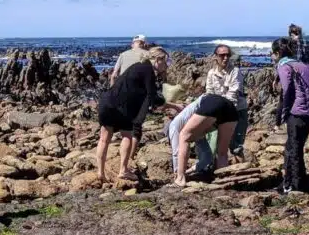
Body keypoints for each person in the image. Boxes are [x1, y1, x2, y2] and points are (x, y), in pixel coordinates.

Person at [95, 47, 168, 183]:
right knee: (127, 135)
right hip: (122, 107)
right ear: (158, 60)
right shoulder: (148, 70)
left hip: (106, 101)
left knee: (104, 139)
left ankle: (100, 172)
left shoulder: (137, 66)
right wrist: (168, 103)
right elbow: (152, 96)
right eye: (166, 62)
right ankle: (123, 170)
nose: (166, 65)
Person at [273, 37, 309, 194]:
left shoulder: (284, 65)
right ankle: (296, 182)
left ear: (278, 53)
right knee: (295, 147)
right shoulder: (302, 64)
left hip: (298, 112)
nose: (272, 57)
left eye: (272, 53)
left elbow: (287, 90)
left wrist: (282, 113)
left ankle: (293, 186)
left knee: (293, 148)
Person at [166, 94, 238, 186]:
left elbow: (176, 152)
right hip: (230, 108)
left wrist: (177, 173)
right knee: (222, 153)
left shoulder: (173, 126)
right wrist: (190, 170)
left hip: (211, 102)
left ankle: (180, 179)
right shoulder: (197, 130)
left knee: (183, 136)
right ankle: (224, 181)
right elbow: (207, 157)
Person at [205, 44, 248, 158]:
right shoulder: (211, 73)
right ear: (215, 56)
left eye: (228, 55)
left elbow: (233, 94)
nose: (225, 58)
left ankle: (242, 171)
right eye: (222, 55)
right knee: (217, 143)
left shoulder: (235, 72)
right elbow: (209, 93)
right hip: (219, 112)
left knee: (236, 145)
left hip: (237, 110)